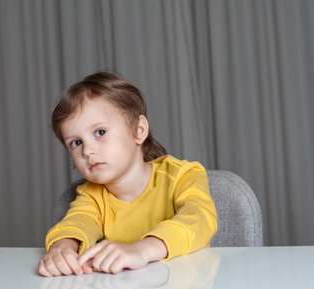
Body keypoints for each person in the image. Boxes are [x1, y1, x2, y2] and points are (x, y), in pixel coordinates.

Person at [38, 71, 217, 277]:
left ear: (139, 130)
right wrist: (63, 247)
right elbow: (78, 221)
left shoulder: (182, 175)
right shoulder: (91, 194)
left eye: (100, 132)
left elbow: (199, 219)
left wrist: (142, 249)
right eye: (76, 143)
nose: (87, 151)